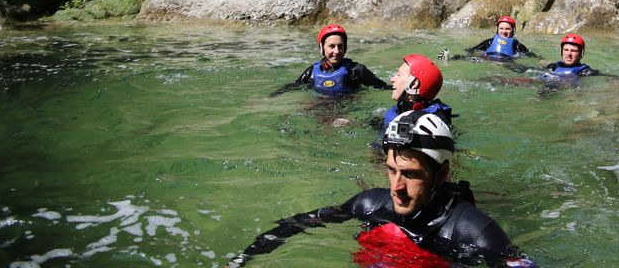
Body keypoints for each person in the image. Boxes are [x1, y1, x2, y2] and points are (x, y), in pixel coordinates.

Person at [226, 111, 536, 267]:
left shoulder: (474, 231)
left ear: (442, 174)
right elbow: (297, 224)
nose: (396, 187)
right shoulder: (370, 204)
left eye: (410, 174)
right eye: (391, 171)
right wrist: (242, 259)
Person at [270, 24, 388, 96]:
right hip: (321, 107)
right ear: (322, 47)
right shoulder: (312, 72)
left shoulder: (356, 70)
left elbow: (381, 86)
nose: (336, 51)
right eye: (331, 46)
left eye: (340, 46)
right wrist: (270, 97)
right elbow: (293, 86)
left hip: (348, 109)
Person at [383, 54, 453, 128]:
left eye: (398, 75)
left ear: (413, 84)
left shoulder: (429, 125)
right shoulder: (400, 109)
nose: (392, 79)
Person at [465, 15, 531, 61]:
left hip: (506, 63)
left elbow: (531, 55)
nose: (503, 31)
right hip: (487, 60)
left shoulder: (517, 46)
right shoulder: (490, 42)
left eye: (507, 29)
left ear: (513, 30)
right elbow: (472, 50)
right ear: (497, 30)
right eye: (501, 28)